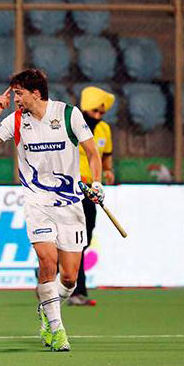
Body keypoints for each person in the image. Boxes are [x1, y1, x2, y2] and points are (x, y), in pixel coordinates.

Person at [0, 68, 103, 352]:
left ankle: (49, 306)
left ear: (36, 93)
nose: (15, 98)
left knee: (69, 277)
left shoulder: (69, 115)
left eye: (19, 93)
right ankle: (56, 329)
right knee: (47, 261)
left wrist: (97, 183)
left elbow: (93, 153)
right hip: (37, 202)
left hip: (70, 203)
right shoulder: (17, 119)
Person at [68, 86, 115, 306]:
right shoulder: (73, 126)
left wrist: (107, 171)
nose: (98, 117)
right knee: (73, 239)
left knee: (84, 239)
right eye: (95, 111)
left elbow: (106, 156)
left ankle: (72, 286)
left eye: (101, 113)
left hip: (91, 192)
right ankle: (76, 290)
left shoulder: (104, 129)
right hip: (70, 190)